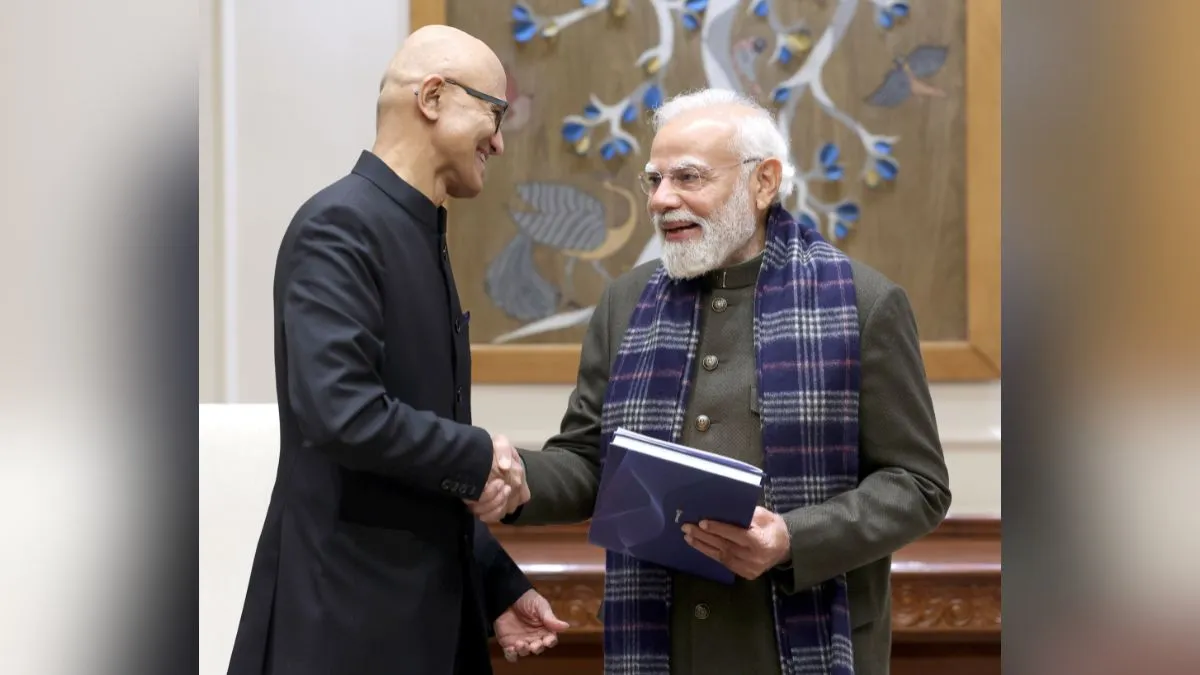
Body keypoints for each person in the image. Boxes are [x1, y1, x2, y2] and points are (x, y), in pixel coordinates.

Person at [501, 89, 952, 675]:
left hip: (799, 641)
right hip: (661, 644)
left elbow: (918, 485)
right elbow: (590, 462)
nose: (662, 200)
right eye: (654, 179)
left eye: (688, 177)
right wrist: (509, 477)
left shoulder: (864, 303)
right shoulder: (625, 302)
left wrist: (791, 538)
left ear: (763, 183)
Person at [226, 25, 566, 675]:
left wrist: (496, 581)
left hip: (417, 621)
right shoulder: (341, 225)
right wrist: (482, 453)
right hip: (345, 628)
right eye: (493, 114)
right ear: (433, 97)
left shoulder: (419, 232)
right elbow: (342, 413)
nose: (498, 139)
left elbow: (414, 459)